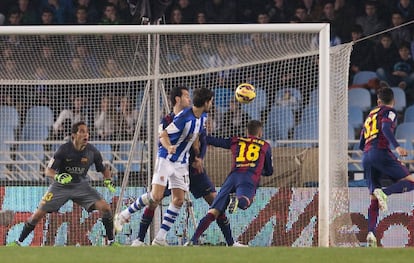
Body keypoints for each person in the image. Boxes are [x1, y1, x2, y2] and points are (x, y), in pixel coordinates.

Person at [114, 86, 240, 246]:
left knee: (179, 200)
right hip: (167, 159)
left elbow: (199, 135)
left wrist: (198, 154)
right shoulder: (177, 118)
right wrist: (169, 147)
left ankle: (160, 238)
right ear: (178, 99)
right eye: (186, 96)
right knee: (155, 197)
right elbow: (163, 135)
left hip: (186, 165)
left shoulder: (202, 116)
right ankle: (125, 218)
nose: (189, 99)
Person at [7, 121, 118, 246]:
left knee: (106, 208)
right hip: (60, 187)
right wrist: (58, 177)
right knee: (37, 215)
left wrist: (108, 181)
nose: (86, 134)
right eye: (82, 131)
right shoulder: (64, 150)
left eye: (87, 131)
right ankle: (18, 242)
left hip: (81, 186)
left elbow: (103, 170)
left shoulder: (93, 152)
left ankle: (112, 242)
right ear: (73, 135)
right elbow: (48, 171)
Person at [186, 119, 273, 246]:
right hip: (249, 177)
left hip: (232, 177)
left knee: (214, 211)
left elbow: (213, 141)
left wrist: (201, 132)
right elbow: (270, 171)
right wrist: (259, 170)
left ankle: (193, 240)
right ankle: (236, 200)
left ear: (246, 132)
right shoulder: (265, 146)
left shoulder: (236, 140)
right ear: (260, 133)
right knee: (244, 203)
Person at [359, 87, 414, 247]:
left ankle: (371, 233)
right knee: (411, 181)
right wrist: (396, 148)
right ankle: (385, 192)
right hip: (380, 152)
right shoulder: (389, 111)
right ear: (393, 101)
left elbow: (361, 143)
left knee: (373, 198)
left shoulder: (369, 116)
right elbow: (385, 128)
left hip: (366, 157)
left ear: (378, 101)